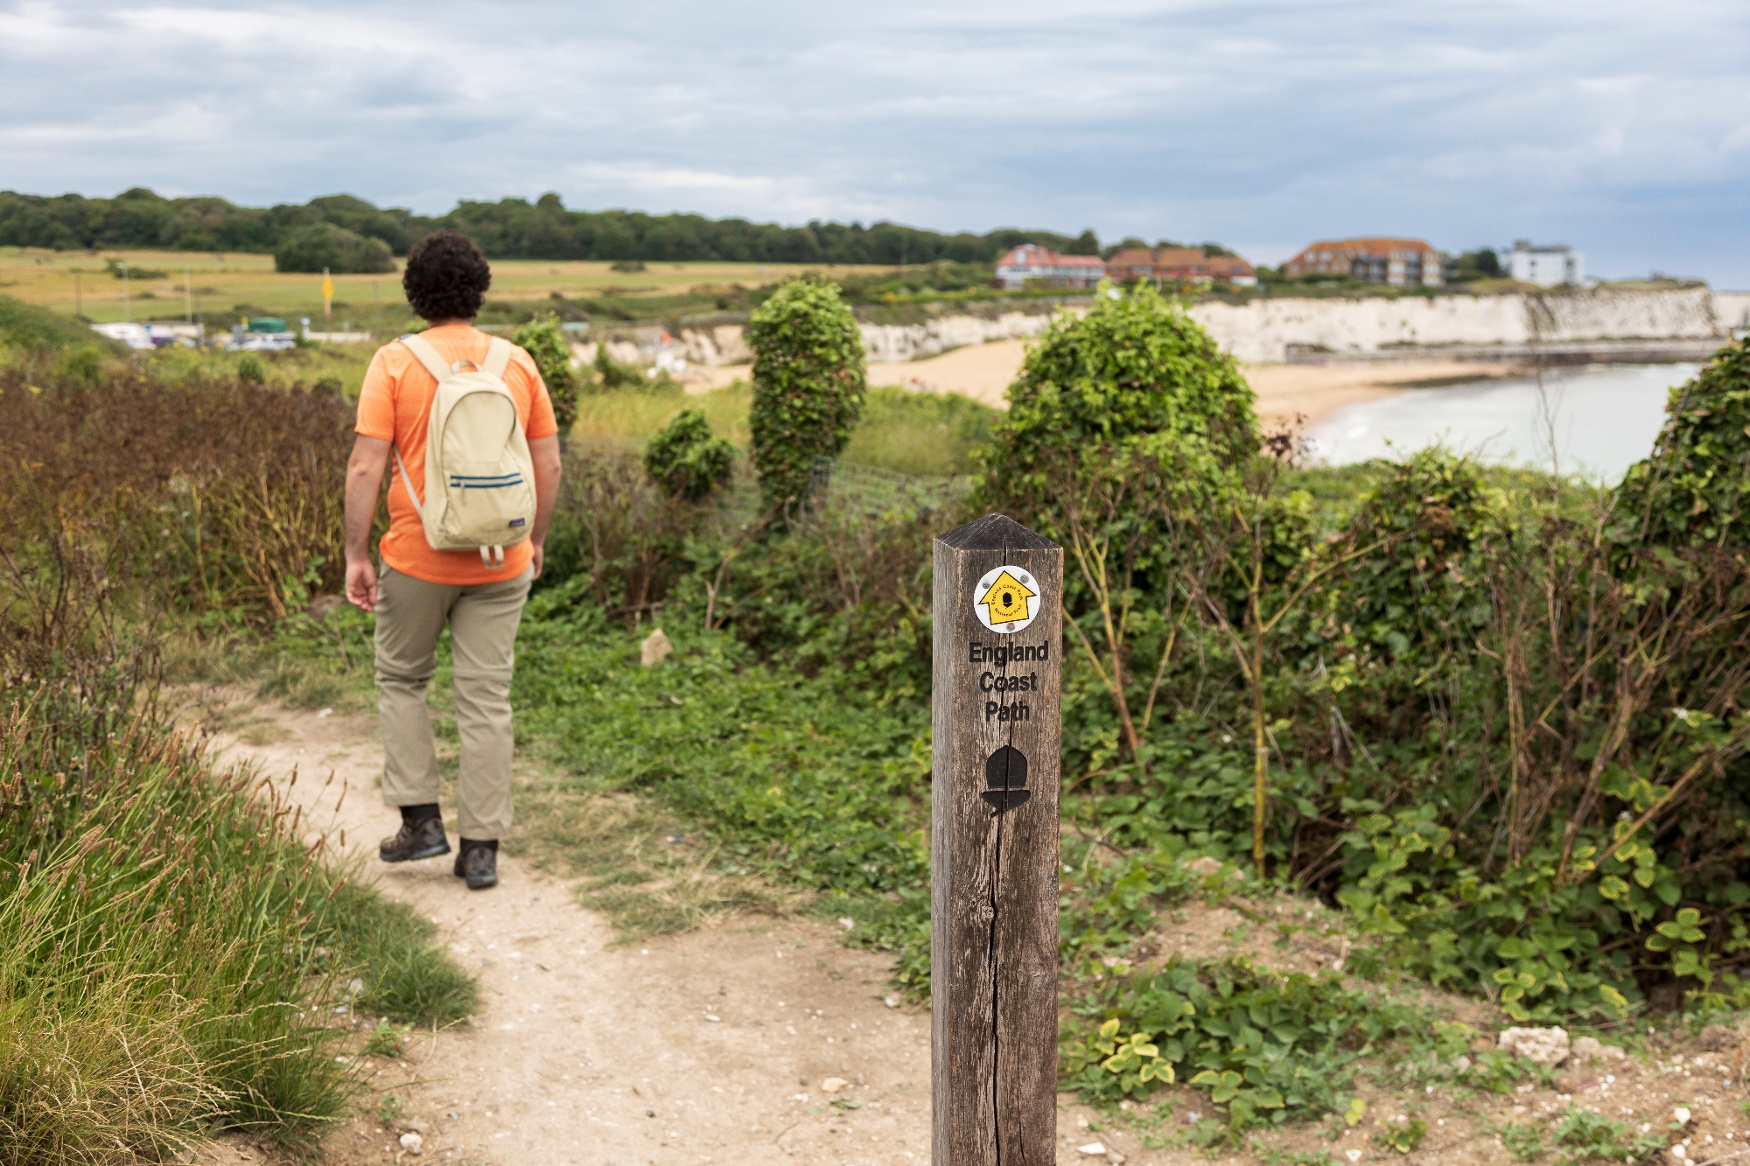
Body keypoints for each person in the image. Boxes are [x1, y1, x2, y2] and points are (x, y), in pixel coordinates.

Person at [343, 229, 563, 890]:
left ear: (415, 293)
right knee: (486, 697)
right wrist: (537, 543)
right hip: (503, 560)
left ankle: (421, 823)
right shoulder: (516, 363)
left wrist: (356, 552)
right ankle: (482, 851)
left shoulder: (393, 363)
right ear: (479, 291)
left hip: (417, 556)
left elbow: (365, 467)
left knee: (403, 680)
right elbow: (547, 461)